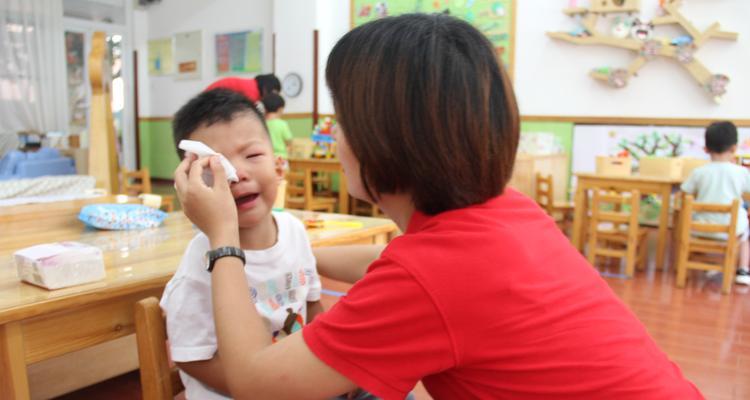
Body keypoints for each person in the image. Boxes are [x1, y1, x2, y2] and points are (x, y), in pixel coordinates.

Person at [174, 14, 703, 399]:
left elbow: (253, 379)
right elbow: (398, 268)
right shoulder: (508, 211)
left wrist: (223, 237)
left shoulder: (428, 279)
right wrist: (287, 247)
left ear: (382, 138)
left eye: (341, 117)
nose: (334, 132)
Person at [161, 88, 324, 399]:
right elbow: (193, 357)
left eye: (252, 156)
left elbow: (314, 306)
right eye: (214, 167)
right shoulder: (201, 257)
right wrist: (274, 391)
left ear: (279, 167)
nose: (237, 175)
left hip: (296, 382)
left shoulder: (294, 231)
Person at [681, 121, 750, 285]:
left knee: (703, 235)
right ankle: (743, 270)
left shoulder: (698, 172)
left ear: (706, 149)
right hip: (731, 229)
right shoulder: (741, 172)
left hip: (700, 227)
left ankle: (709, 264)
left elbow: (685, 194)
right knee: (745, 236)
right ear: (734, 148)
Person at [205, 73, 281, 104]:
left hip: (213, 97)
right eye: (273, 93)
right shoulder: (252, 92)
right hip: (211, 99)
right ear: (266, 88)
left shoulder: (252, 84)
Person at [261, 93, 294, 160]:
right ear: (280, 109)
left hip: (266, 159)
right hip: (281, 159)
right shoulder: (282, 124)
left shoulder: (261, 124)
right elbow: (289, 142)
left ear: (265, 108)